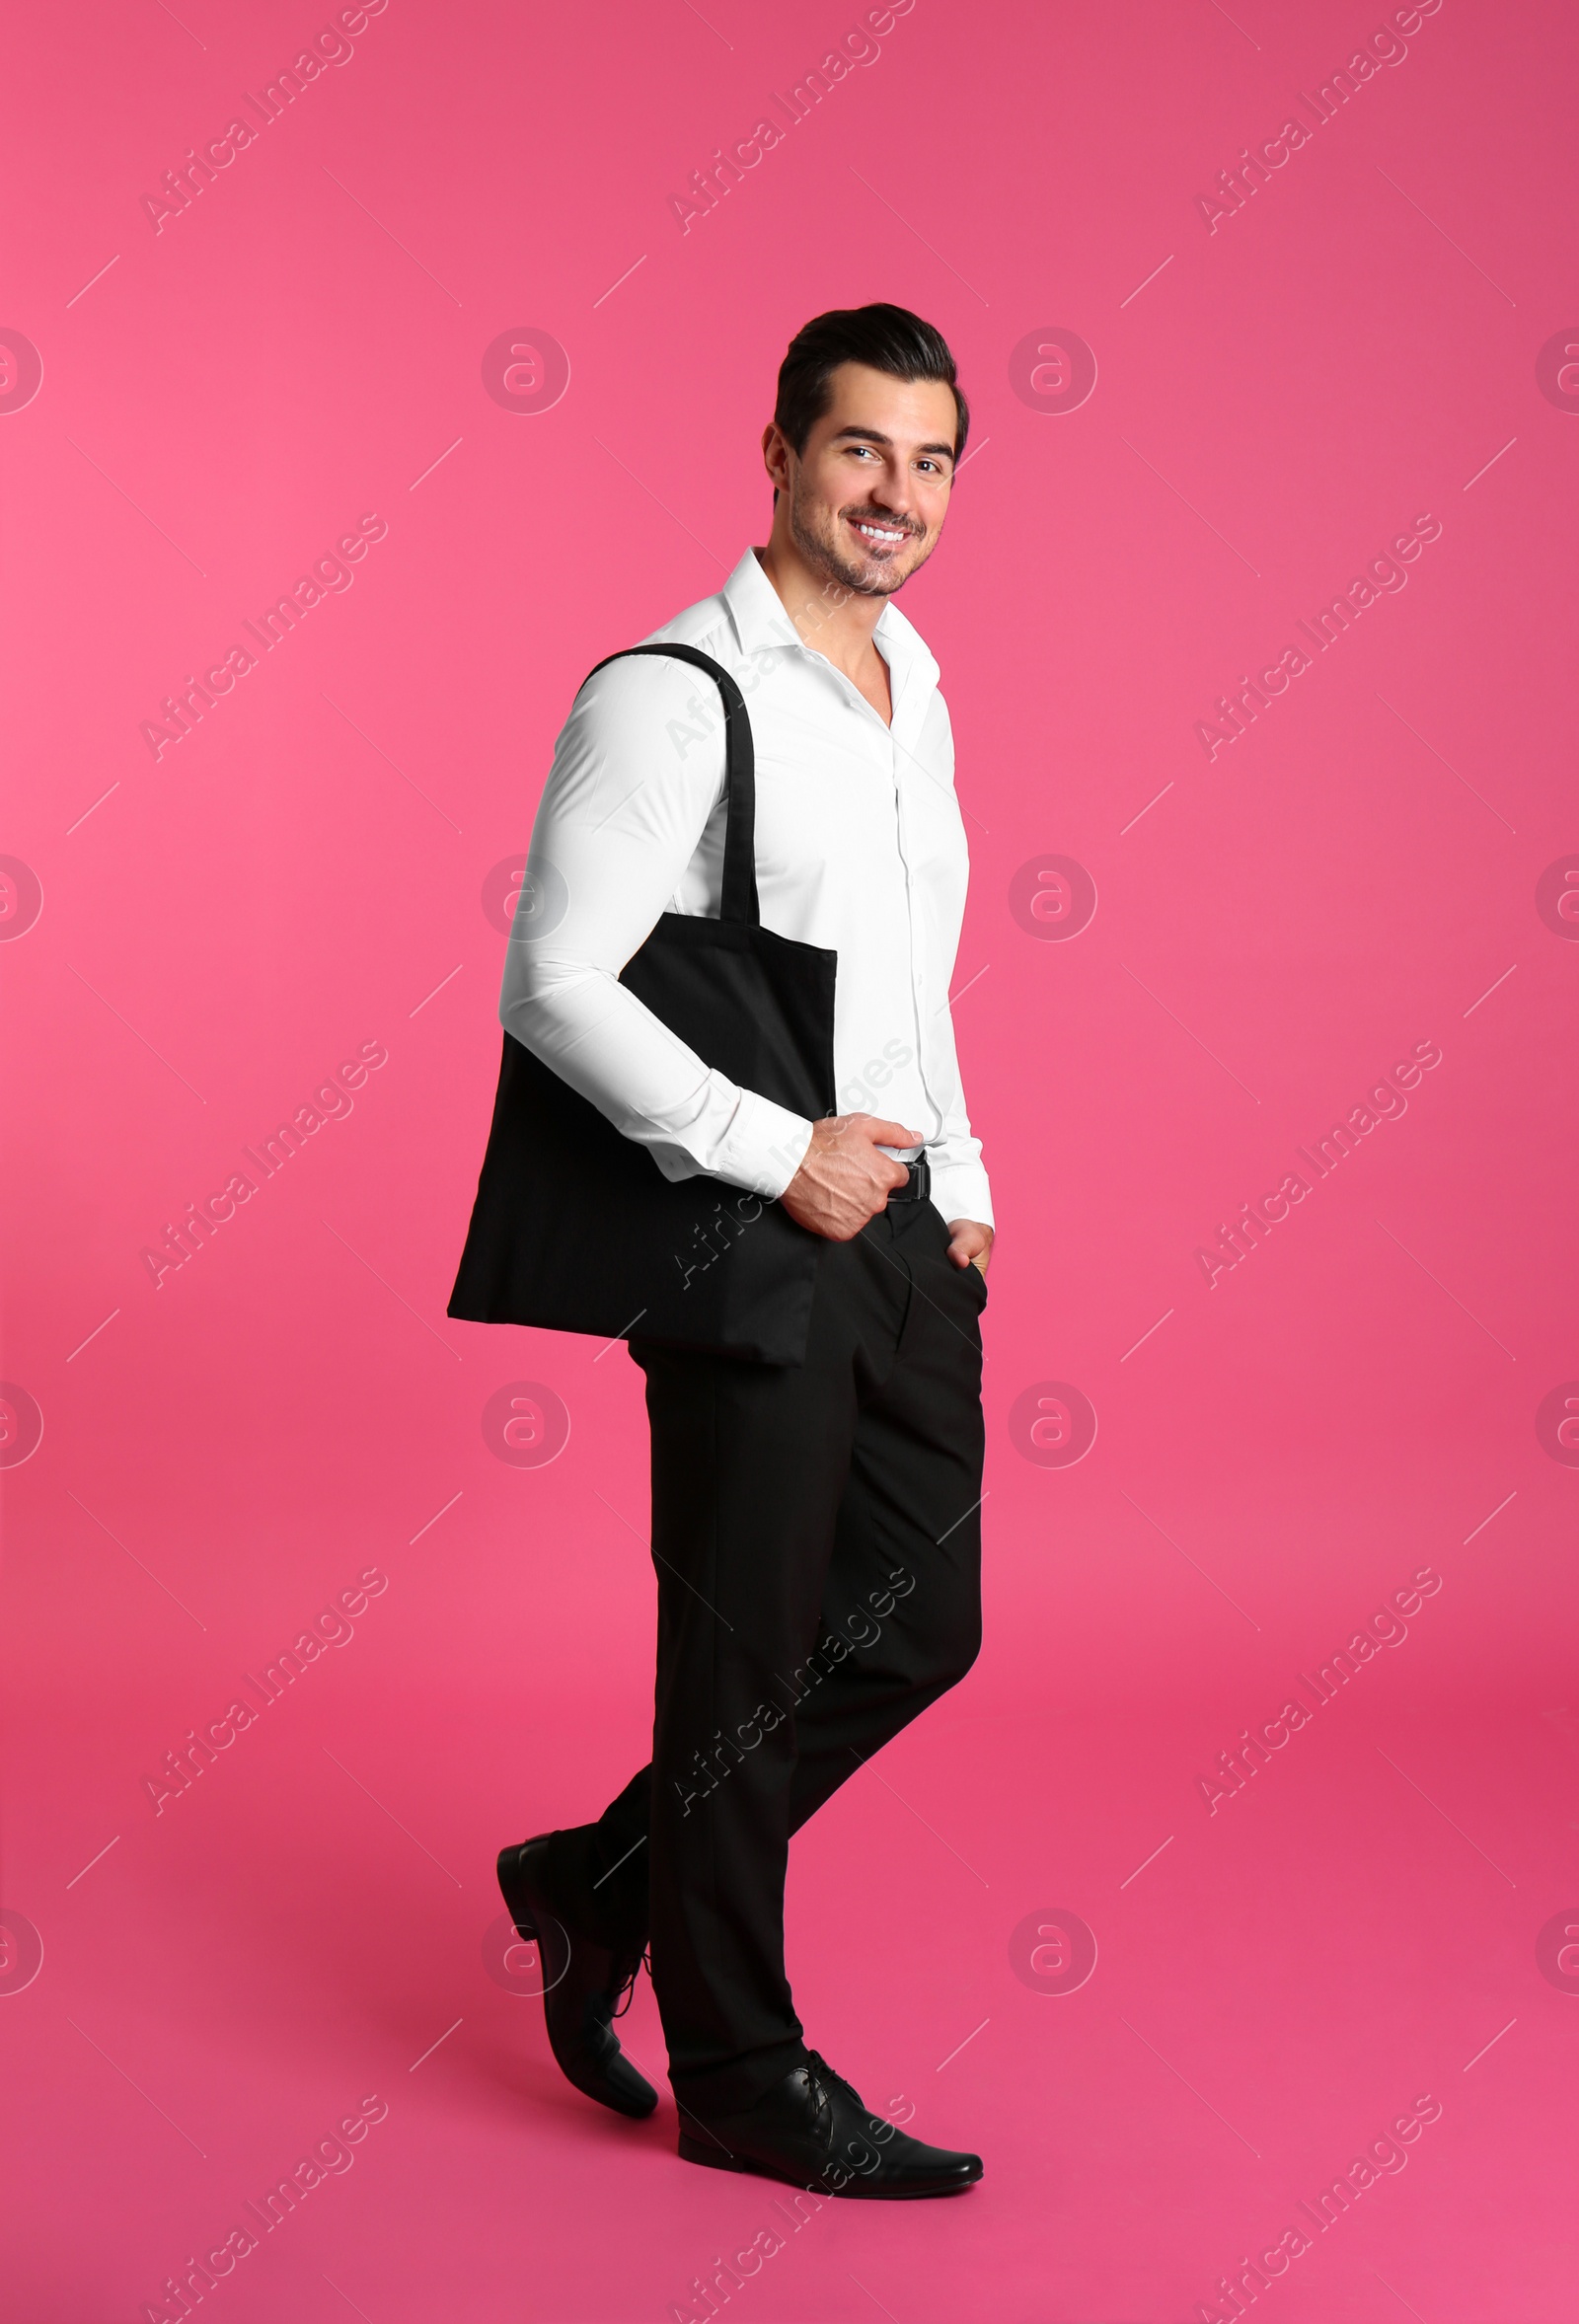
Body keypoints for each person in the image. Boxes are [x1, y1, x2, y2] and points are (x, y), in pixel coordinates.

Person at [494, 304, 994, 2197]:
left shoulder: (914, 684)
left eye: (930, 460)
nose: (895, 493)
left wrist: (967, 1183)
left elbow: (911, 973)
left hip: (903, 1229)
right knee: (739, 1673)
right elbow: (555, 975)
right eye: (860, 449)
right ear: (779, 454)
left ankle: (596, 1879)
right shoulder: (667, 690)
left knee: (918, 1626)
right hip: (746, 1234)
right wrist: (775, 1154)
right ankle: (743, 2076)